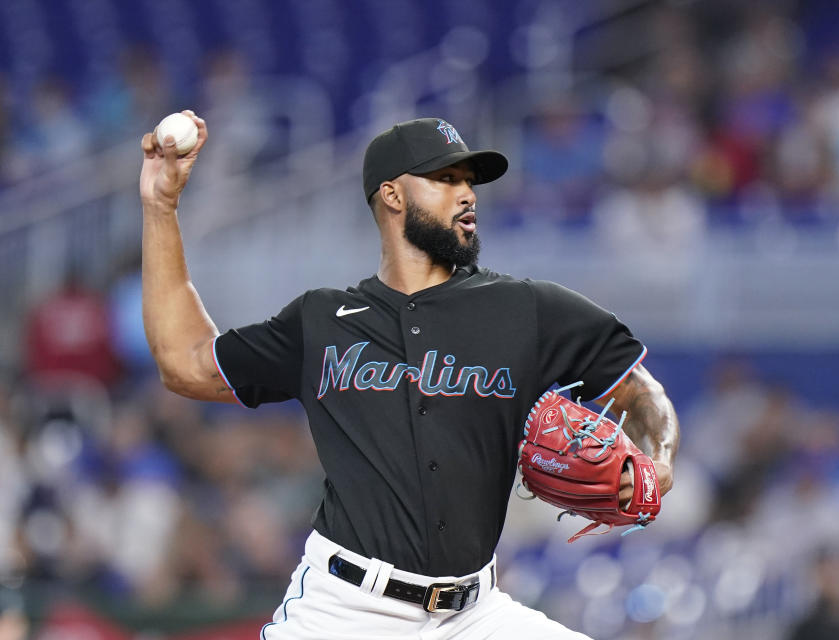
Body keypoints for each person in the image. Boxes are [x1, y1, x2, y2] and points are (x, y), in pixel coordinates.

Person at [139, 112, 679, 638]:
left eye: (469, 180)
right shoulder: (323, 321)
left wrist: (659, 462)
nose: (467, 193)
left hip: (476, 613)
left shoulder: (528, 309)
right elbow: (184, 362)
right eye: (445, 178)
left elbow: (639, 389)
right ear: (392, 195)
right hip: (345, 611)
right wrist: (161, 206)